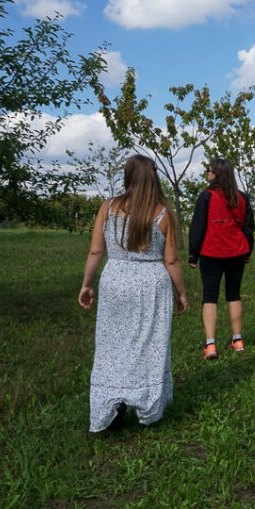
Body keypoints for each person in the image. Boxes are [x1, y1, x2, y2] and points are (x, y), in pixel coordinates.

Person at [79, 155, 188, 432]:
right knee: (148, 346)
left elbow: (96, 250)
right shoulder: (164, 213)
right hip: (151, 285)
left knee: (112, 346)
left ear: (127, 176)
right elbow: (172, 260)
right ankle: (146, 406)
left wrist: (87, 284)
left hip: (115, 281)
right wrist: (182, 293)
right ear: (154, 177)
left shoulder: (108, 207)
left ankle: (111, 404)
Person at [188, 158, 255, 359]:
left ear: (216, 174)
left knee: (210, 297)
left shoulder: (206, 197)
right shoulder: (242, 197)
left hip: (211, 253)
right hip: (237, 252)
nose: (207, 173)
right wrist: (248, 251)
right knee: (234, 294)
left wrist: (193, 253)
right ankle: (238, 340)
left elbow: (198, 227)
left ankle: (210, 345)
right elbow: (248, 227)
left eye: (209, 170)